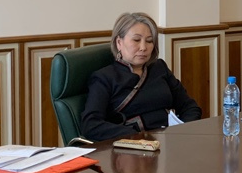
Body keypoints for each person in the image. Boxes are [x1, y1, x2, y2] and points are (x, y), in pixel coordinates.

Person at [81, 12, 201, 141]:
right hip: (133, 145)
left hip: (171, 141)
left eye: (149, 41)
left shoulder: (159, 68)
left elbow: (190, 107)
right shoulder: (104, 78)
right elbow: (91, 125)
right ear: (119, 42)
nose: (143, 47)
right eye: (136, 40)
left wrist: (182, 131)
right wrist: (135, 136)